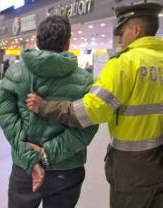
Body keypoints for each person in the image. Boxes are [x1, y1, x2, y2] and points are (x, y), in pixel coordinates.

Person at [26, 3, 163, 208]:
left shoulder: (123, 64)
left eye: (122, 31)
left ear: (136, 30)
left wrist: (45, 106)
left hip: (132, 169)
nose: (120, 38)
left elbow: (89, 111)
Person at [0, 15, 98, 208]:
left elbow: (6, 116)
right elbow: (88, 125)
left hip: (24, 167)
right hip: (67, 168)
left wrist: (31, 158)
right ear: (68, 43)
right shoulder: (85, 80)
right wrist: (48, 154)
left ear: (37, 41)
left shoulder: (15, 73)